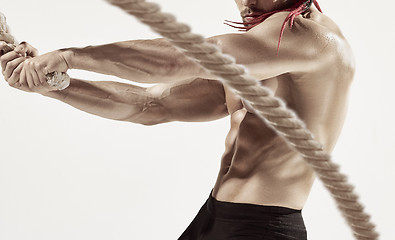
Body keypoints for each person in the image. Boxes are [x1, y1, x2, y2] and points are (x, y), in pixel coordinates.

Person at [0, 0, 355, 239]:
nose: (247, 2)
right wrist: (54, 85)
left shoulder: (312, 39)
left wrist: (68, 56)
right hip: (216, 217)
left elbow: (176, 61)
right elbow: (150, 105)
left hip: (263, 228)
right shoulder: (257, 55)